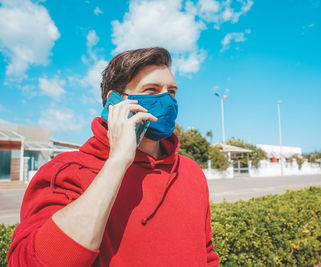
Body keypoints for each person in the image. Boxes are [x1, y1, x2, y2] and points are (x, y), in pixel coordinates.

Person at [7, 47, 220, 266]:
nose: (166, 100)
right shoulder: (65, 171)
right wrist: (118, 161)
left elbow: (207, 254)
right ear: (115, 102)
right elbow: (31, 261)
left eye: (172, 91)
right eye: (151, 90)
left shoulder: (189, 171)